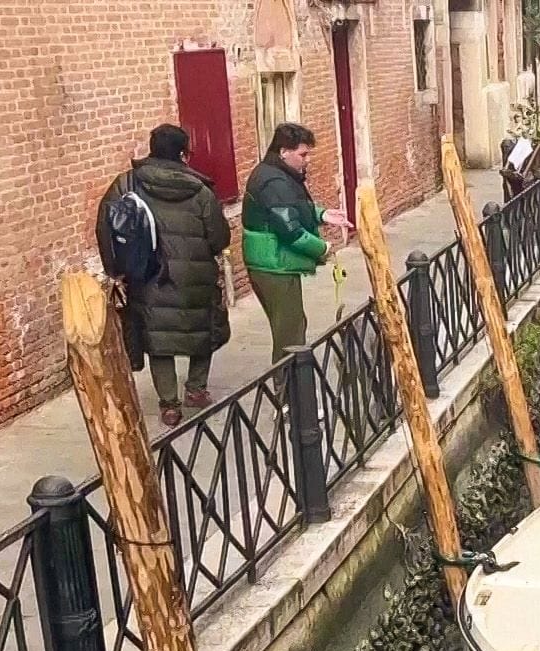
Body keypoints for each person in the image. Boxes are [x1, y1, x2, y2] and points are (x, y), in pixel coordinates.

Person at [96, 124, 232, 426]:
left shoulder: (127, 183)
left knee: (157, 338)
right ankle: (196, 389)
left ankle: (169, 403)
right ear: (184, 154)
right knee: (202, 330)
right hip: (196, 275)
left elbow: (106, 226)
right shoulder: (201, 191)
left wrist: (114, 269)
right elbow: (219, 238)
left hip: (148, 275)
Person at [243, 123, 350, 364]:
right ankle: (288, 395)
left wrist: (321, 214)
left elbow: (291, 210)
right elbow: (290, 230)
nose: (308, 160)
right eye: (303, 154)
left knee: (292, 326)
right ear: (284, 152)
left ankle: (291, 392)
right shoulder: (274, 182)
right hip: (273, 266)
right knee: (290, 335)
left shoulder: (277, 175)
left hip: (272, 264)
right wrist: (323, 249)